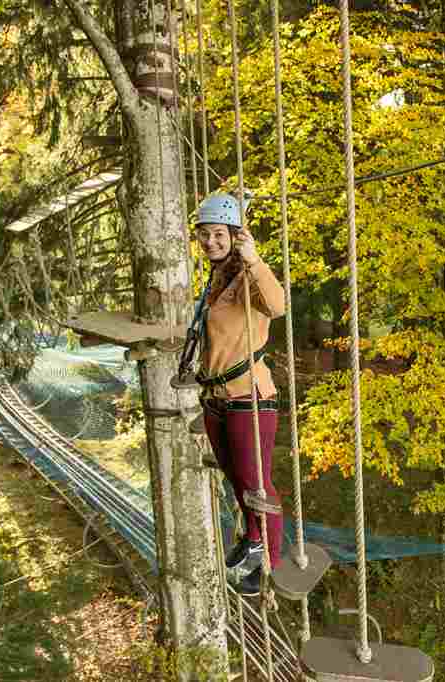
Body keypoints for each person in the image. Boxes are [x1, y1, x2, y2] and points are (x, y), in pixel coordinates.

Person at [190, 192, 286, 597]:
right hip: (217, 398)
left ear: (234, 236)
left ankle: (271, 561)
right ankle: (251, 537)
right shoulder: (217, 279)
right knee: (235, 478)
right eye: (204, 235)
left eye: (217, 235)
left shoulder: (248, 277)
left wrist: (254, 259)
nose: (210, 242)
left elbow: (278, 306)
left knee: (256, 484)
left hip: (250, 397)